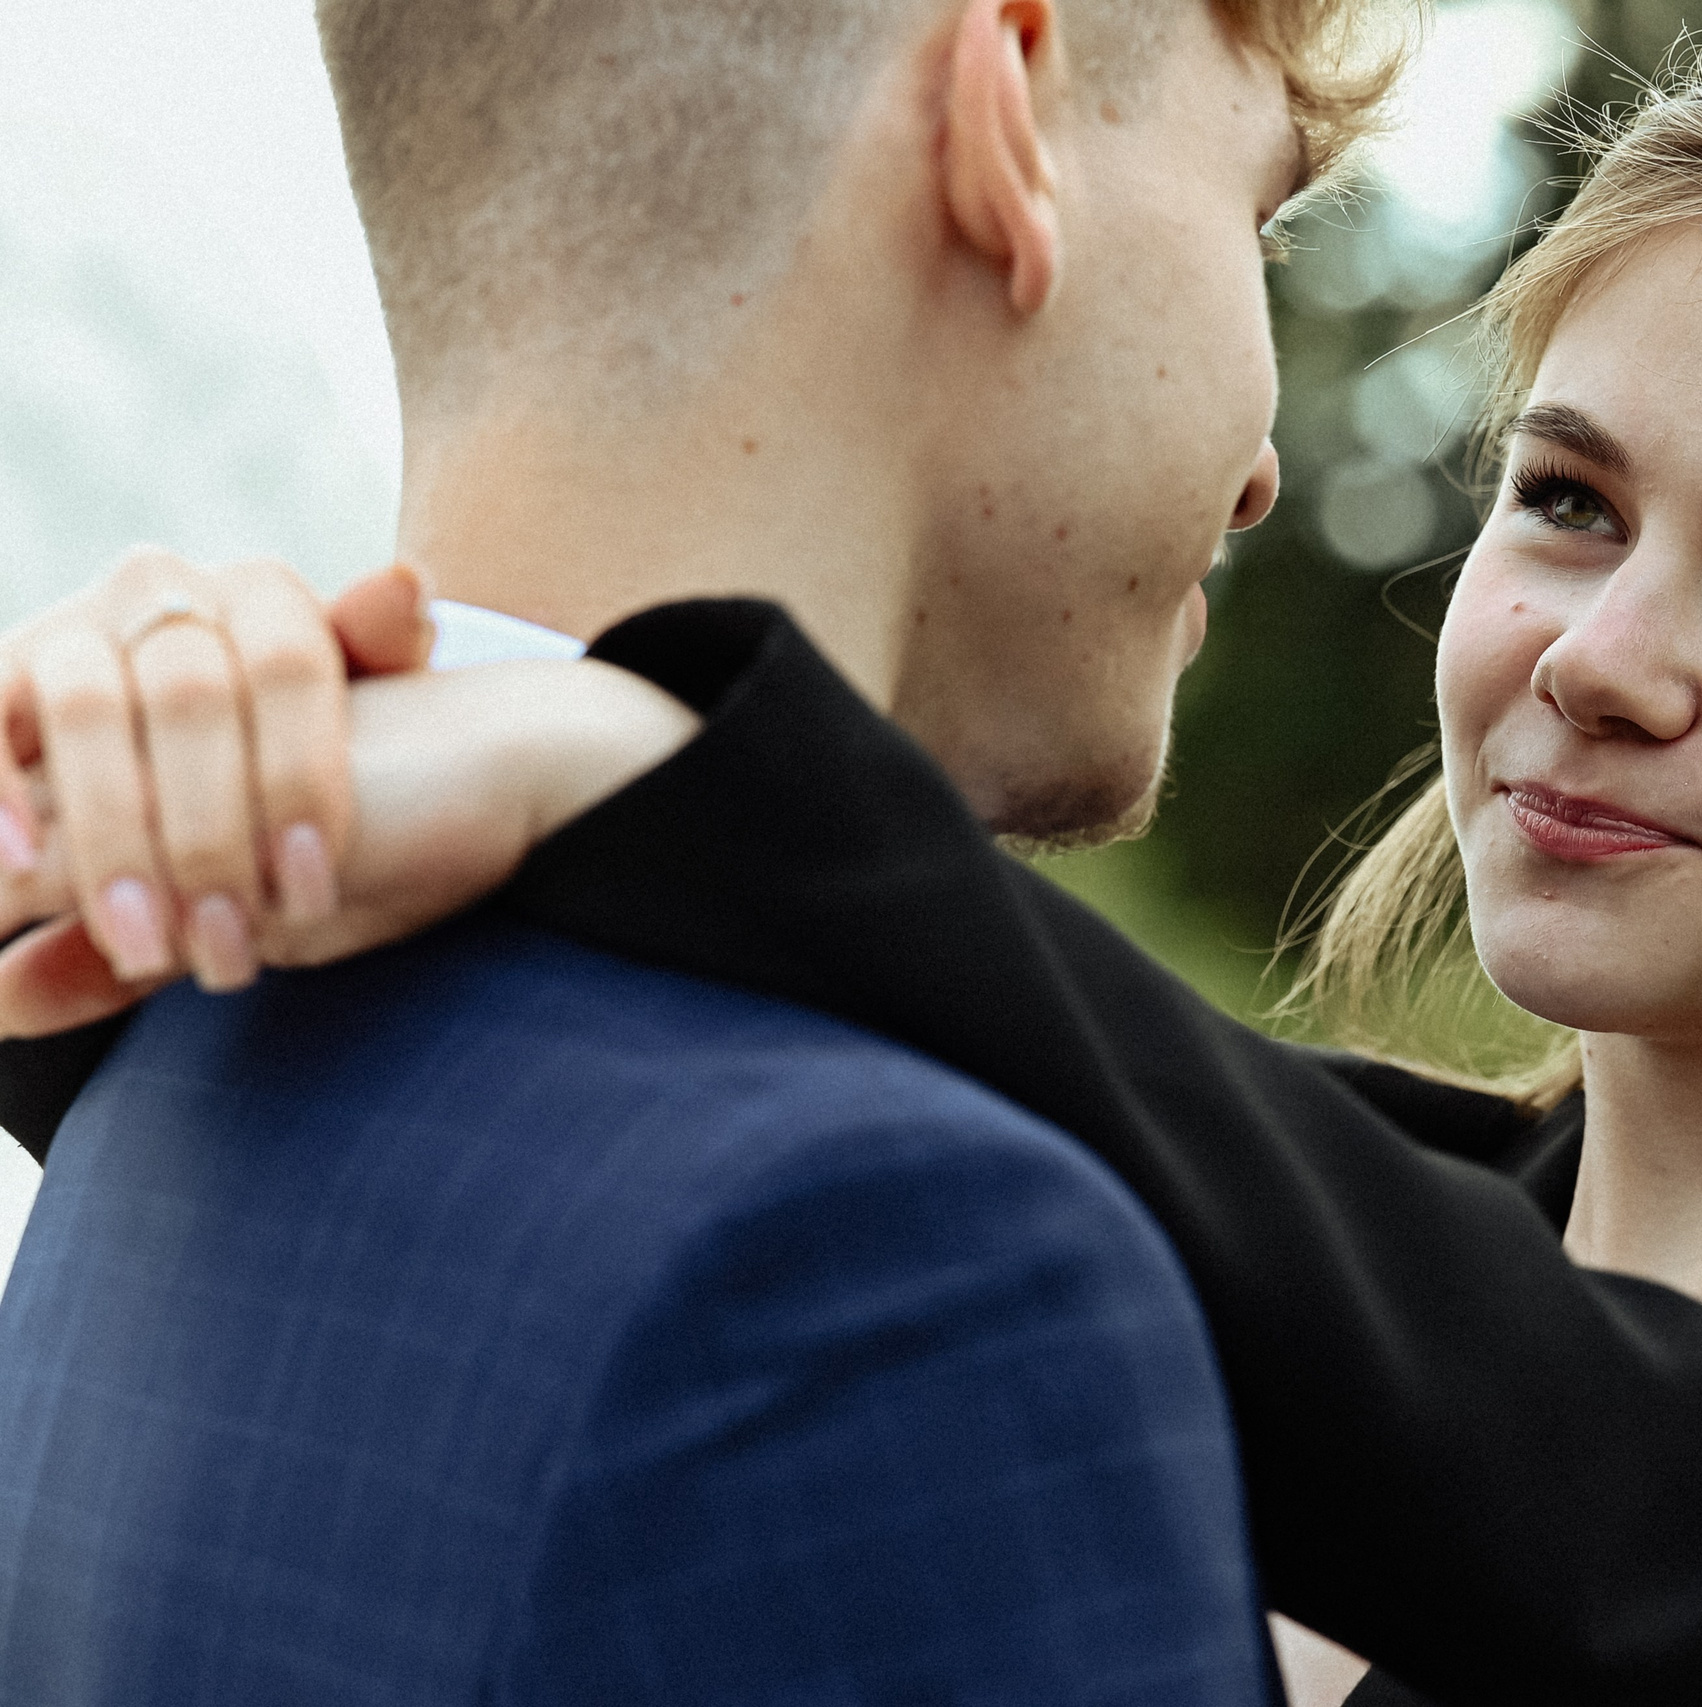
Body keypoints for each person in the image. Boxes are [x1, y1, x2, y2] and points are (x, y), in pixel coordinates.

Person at [6, 11, 1702, 1707]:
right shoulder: (1296, 1190)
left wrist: (669, 759)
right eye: (1563, 502)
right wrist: (189, 801)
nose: (1596, 655)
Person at [0, 0, 1404, 1697]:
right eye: (1258, 215)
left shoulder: (160, 1069)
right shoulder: (908, 1262)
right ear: (1009, 116)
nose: (1261, 476)